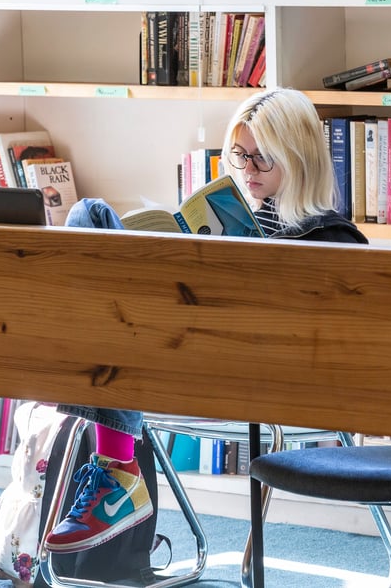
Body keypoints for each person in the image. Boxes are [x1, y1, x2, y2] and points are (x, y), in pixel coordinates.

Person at [43, 87, 367, 555]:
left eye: (263, 158)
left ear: (300, 159)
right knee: (87, 215)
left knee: (106, 294)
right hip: (197, 349)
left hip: (260, 374)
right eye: (241, 156)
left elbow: (334, 345)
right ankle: (116, 470)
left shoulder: (333, 237)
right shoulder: (249, 219)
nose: (249, 171)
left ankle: (117, 473)